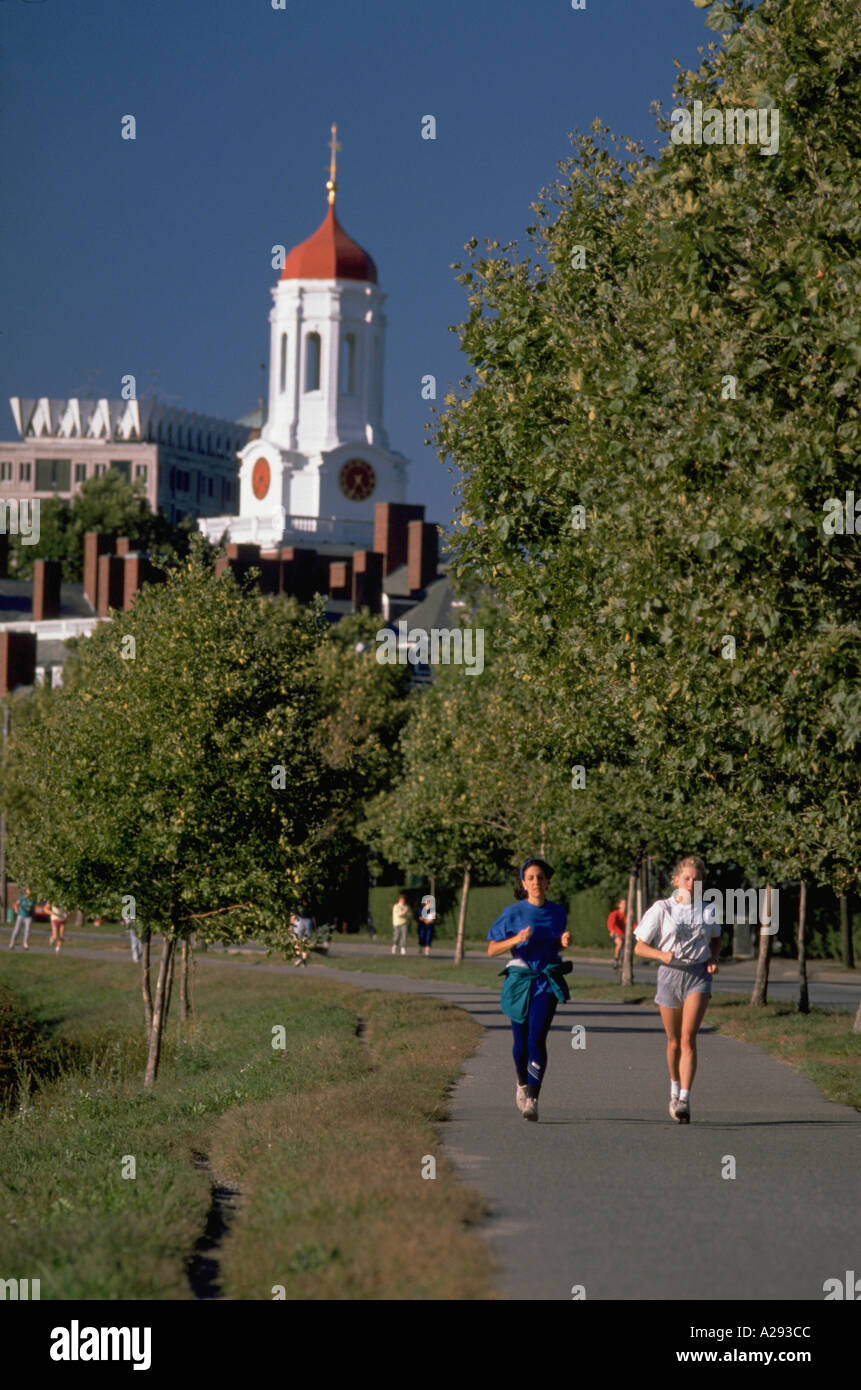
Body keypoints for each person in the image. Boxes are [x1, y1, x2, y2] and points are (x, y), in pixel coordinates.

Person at [634, 855, 721, 1124]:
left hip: (697, 975)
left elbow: (716, 938)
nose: (691, 883)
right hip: (670, 975)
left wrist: (713, 959)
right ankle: (673, 1088)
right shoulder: (662, 908)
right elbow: (638, 946)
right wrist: (661, 955)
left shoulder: (709, 909)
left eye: (697, 879)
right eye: (687, 878)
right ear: (676, 881)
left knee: (688, 1038)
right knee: (673, 1041)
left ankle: (684, 1098)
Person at [487, 858, 571, 1122]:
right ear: (523, 883)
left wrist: (562, 943)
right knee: (520, 1044)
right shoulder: (512, 912)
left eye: (540, 877)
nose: (536, 882)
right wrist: (516, 938)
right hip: (520, 981)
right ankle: (522, 1083)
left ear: (547, 881)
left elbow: (553, 946)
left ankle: (533, 1099)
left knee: (537, 1039)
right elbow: (491, 949)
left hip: (545, 981)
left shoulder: (558, 912)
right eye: (531, 878)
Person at [606, 896, 627, 970]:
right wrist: (611, 930)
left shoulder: (627, 916)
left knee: (625, 947)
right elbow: (611, 922)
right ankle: (615, 961)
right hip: (616, 934)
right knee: (619, 943)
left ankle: (623, 959)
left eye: (625, 904)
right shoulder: (615, 913)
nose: (625, 905)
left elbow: (633, 925)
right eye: (623, 903)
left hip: (623, 935)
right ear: (619, 905)